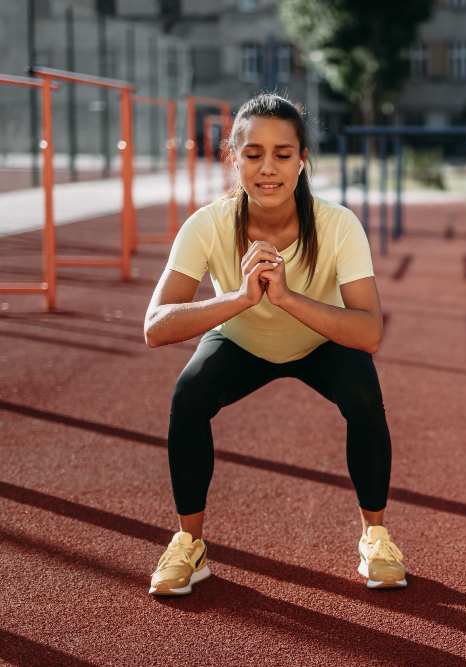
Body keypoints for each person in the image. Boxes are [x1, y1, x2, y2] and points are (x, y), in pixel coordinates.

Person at [143, 93, 405, 595]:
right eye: (253, 154)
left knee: (366, 396)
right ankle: (189, 544)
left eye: (283, 155)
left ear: (303, 159)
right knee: (189, 395)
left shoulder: (337, 224)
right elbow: (155, 326)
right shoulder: (208, 224)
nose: (268, 169)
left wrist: (285, 298)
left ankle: (376, 536)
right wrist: (242, 298)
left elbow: (369, 331)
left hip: (319, 340)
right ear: (233, 158)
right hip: (240, 338)